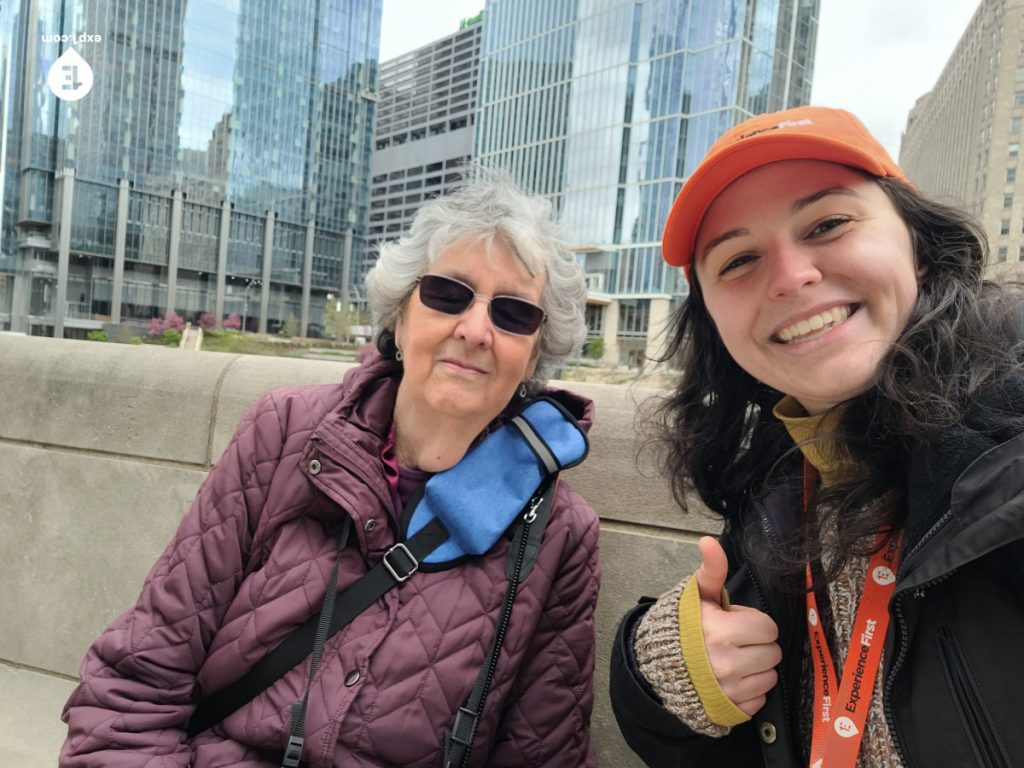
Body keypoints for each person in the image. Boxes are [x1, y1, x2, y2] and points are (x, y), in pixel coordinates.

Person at [61, 172, 600, 767]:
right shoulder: (284, 432)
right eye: (448, 294)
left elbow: (542, 756)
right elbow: (137, 681)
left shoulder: (557, 531)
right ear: (399, 315)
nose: (475, 330)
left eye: (513, 314)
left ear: (535, 352)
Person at [609, 106, 1024, 767]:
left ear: (918, 240)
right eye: (739, 259)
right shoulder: (779, 473)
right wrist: (662, 674)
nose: (790, 276)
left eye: (827, 224)